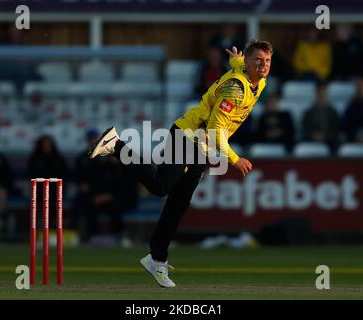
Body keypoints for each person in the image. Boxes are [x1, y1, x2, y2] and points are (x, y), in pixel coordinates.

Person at [89, 39, 272, 288]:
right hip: (188, 135)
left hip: (201, 148)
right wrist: (235, 159)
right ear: (249, 62)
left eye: (267, 61)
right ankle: (115, 145)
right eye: (258, 60)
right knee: (161, 186)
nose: (263, 65)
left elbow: (239, 64)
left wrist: (237, 60)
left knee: (178, 204)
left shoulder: (257, 79)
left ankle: (156, 259)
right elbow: (217, 130)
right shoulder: (235, 88)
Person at [74, 129, 137, 246]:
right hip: (107, 198)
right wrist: (100, 196)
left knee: (115, 207)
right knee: (89, 204)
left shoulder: (127, 165)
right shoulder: (103, 164)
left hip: (122, 199)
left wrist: (109, 196)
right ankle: (92, 236)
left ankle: (120, 235)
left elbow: (127, 188)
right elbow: (99, 183)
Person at [28, 135, 68, 228]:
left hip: (56, 190)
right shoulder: (35, 158)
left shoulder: (58, 158)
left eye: (48, 144)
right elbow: (32, 176)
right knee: (41, 200)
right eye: (44, 144)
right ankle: (41, 226)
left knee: (54, 200)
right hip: (39, 191)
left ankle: (54, 225)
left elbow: (64, 176)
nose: (47, 146)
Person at [301, 82, 340, 152]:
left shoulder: (333, 112)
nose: (321, 95)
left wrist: (325, 136)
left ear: (327, 94)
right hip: (311, 141)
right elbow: (304, 129)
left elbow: (336, 130)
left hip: (330, 143)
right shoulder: (308, 112)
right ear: (315, 94)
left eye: (323, 93)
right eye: (319, 93)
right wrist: (313, 135)